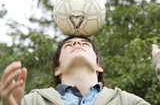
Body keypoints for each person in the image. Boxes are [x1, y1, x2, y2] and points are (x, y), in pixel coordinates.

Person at [0, 35, 160, 105]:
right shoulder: (32, 102)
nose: (77, 44)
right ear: (57, 69)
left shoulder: (127, 102)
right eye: (69, 45)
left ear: (99, 66)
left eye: (85, 44)